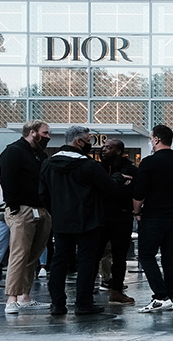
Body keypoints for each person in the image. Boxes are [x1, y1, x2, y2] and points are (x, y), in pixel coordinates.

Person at [39, 126, 122, 316]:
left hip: (61, 220)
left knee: (60, 260)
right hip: (88, 219)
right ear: (78, 142)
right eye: (88, 140)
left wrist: (56, 211)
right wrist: (118, 179)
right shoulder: (87, 165)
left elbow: (42, 194)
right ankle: (83, 303)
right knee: (87, 261)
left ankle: (57, 303)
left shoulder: (48, 163)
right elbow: (109, 188)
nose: (90, 144)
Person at [132, 125, 173, 313]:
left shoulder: (149, 163)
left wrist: (136, 212)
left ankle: (160, 295)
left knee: (146, 255)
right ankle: (169, 295)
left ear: (157, 139)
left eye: (151, 139)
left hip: (153, 216)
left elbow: (139, 193)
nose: (150, 141)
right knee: (171, 257)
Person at [0, 121, 53, 315]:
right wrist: (13, 206)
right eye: (45, 133)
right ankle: (12, 298)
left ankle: (24, 296)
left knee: (32, 255)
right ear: (33, 133)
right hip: (22, 208)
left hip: (38, 209)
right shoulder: (13, 151)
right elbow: (8, 179)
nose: (48, 136)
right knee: (20, 254)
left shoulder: (37, 154)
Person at [99, 139, 137, 305]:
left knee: (120, 255)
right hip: (101, 216)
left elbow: (131, 191)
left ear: (119, 151)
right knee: (95, 253)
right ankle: (90, 289)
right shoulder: (98, 168)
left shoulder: (131, 169)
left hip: (122, 216)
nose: (104, 150)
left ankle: (116, 290)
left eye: (109, 148)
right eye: (104, 147)